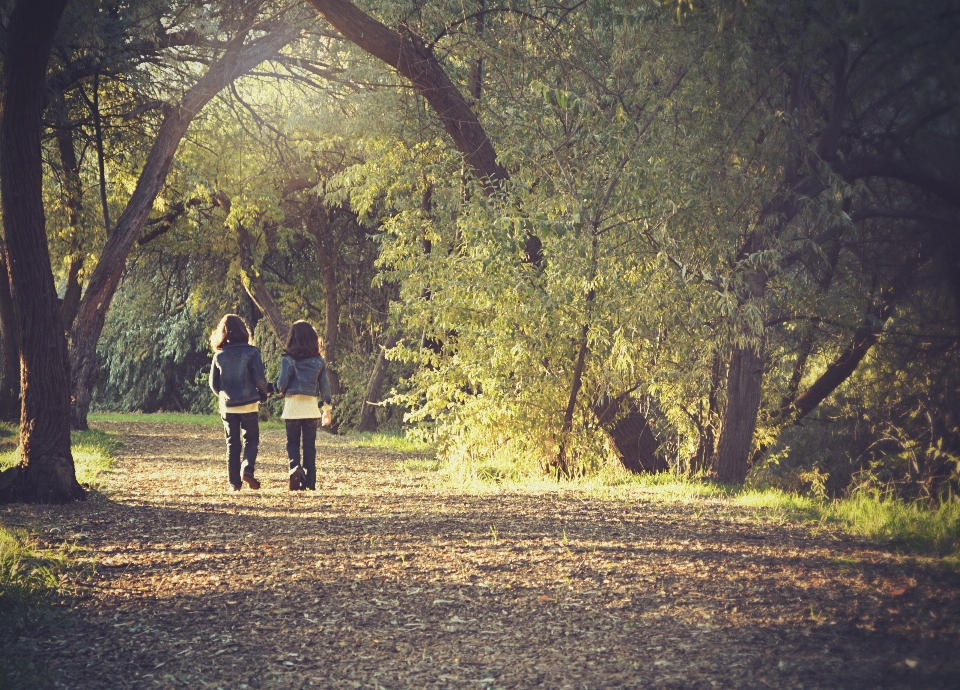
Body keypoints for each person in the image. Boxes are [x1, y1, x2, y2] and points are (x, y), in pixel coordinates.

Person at [209, 314, 271, 491]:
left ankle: (234, 484)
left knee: (232, 444)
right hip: (249, 403)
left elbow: (213, 384)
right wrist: (263, 393)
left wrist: (224, 396)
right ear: (244, 330)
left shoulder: (219, 356)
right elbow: (259, 379)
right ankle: (247, 469)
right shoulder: (252, 352)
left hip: (228, 406)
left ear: (222, 333)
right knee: (251, 440)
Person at [274, 320, 332, 491]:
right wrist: (326, 410)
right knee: (309, 446)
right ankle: (310, 481)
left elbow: (282, 383)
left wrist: (278, 390)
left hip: (292, 408)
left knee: (292, 443)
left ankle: (295, 468)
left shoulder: (288, 359)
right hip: (310, 409)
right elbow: (325, 388)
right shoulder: (319, 362)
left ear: (292, 338)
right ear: (313, 339)